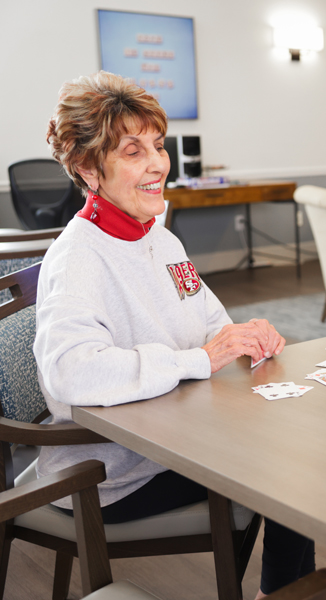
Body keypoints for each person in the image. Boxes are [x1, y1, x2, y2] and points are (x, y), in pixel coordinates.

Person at [34, 71, 308, 600]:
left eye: (158, 146)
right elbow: (70, 373)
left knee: (297, 444)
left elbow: (208, 322)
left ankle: (291, 591)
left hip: (172, 437)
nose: (159, 163)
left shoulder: (160, 238)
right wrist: (198, 360)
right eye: (133, 151)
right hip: (108, 474)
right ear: (89, 169)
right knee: (291, 471)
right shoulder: (76, 259)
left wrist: (243, 335)